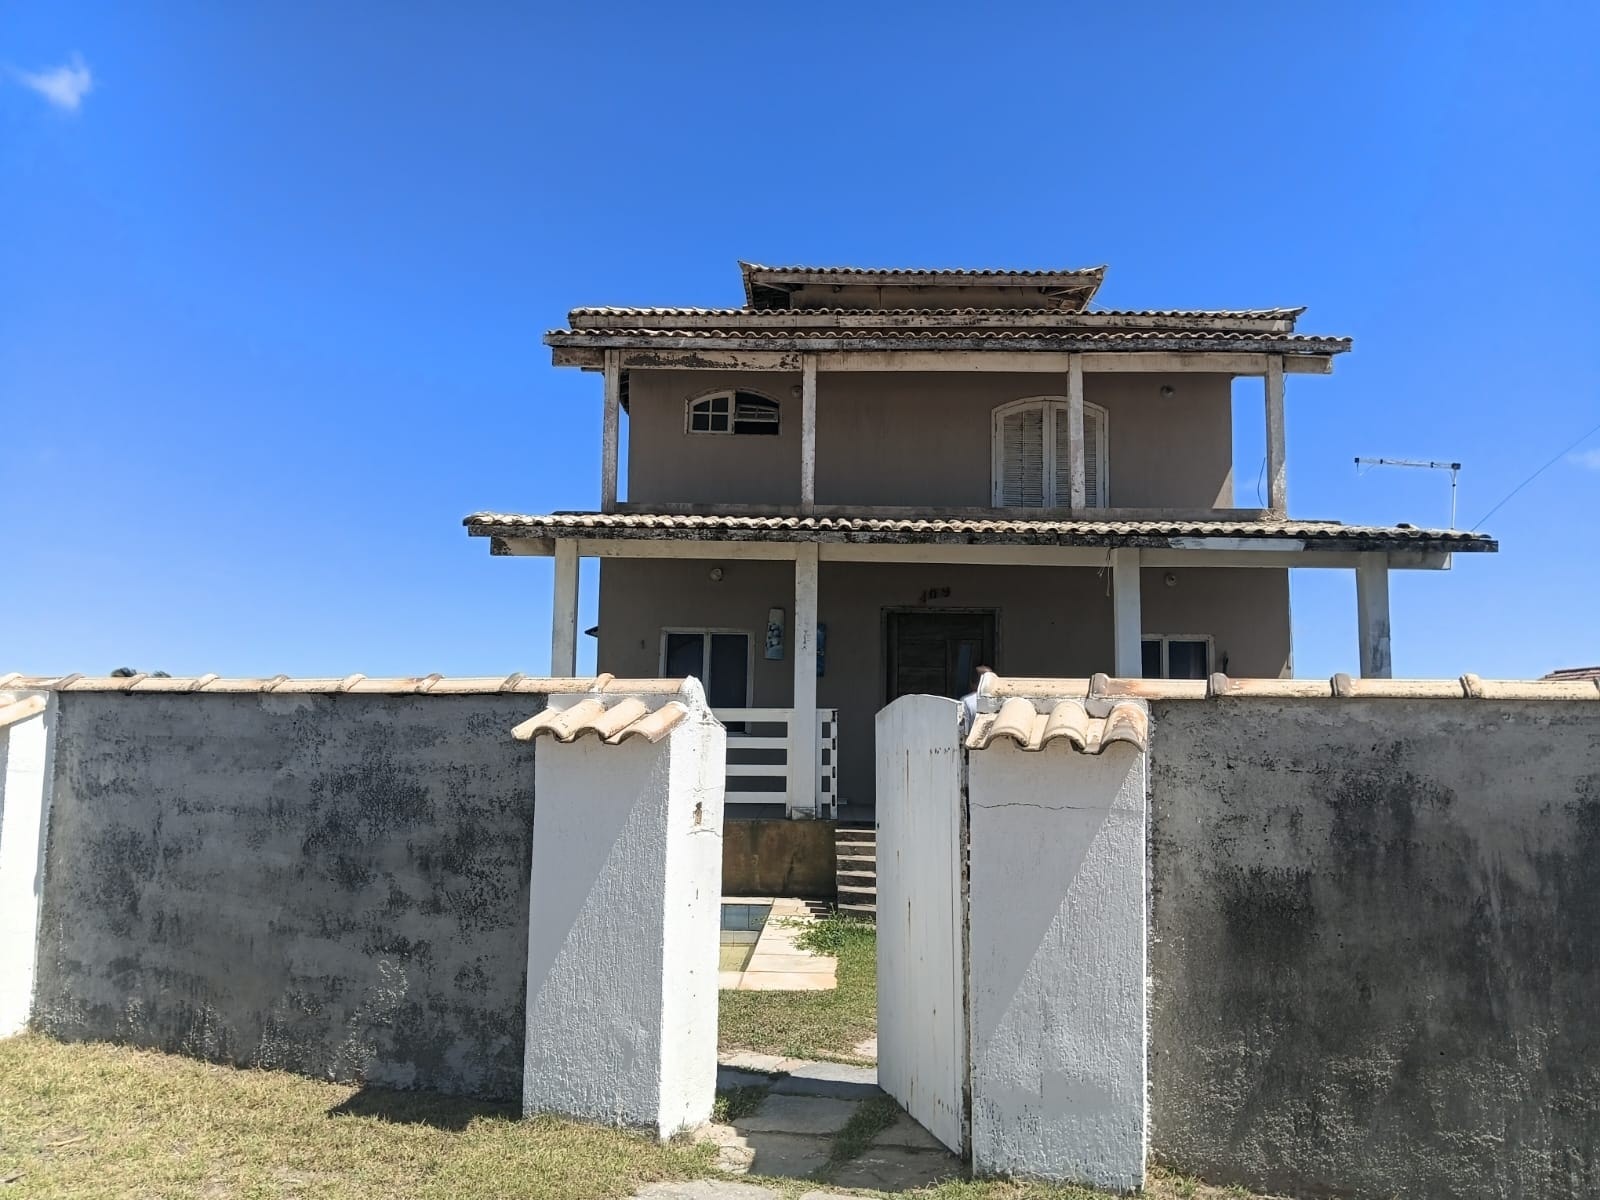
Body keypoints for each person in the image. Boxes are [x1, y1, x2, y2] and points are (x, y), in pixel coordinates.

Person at [959, 665, 995, 735]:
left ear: (971, 683)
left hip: (973, 744)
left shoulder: (966, 701)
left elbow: (963, 732)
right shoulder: (1002, 699)